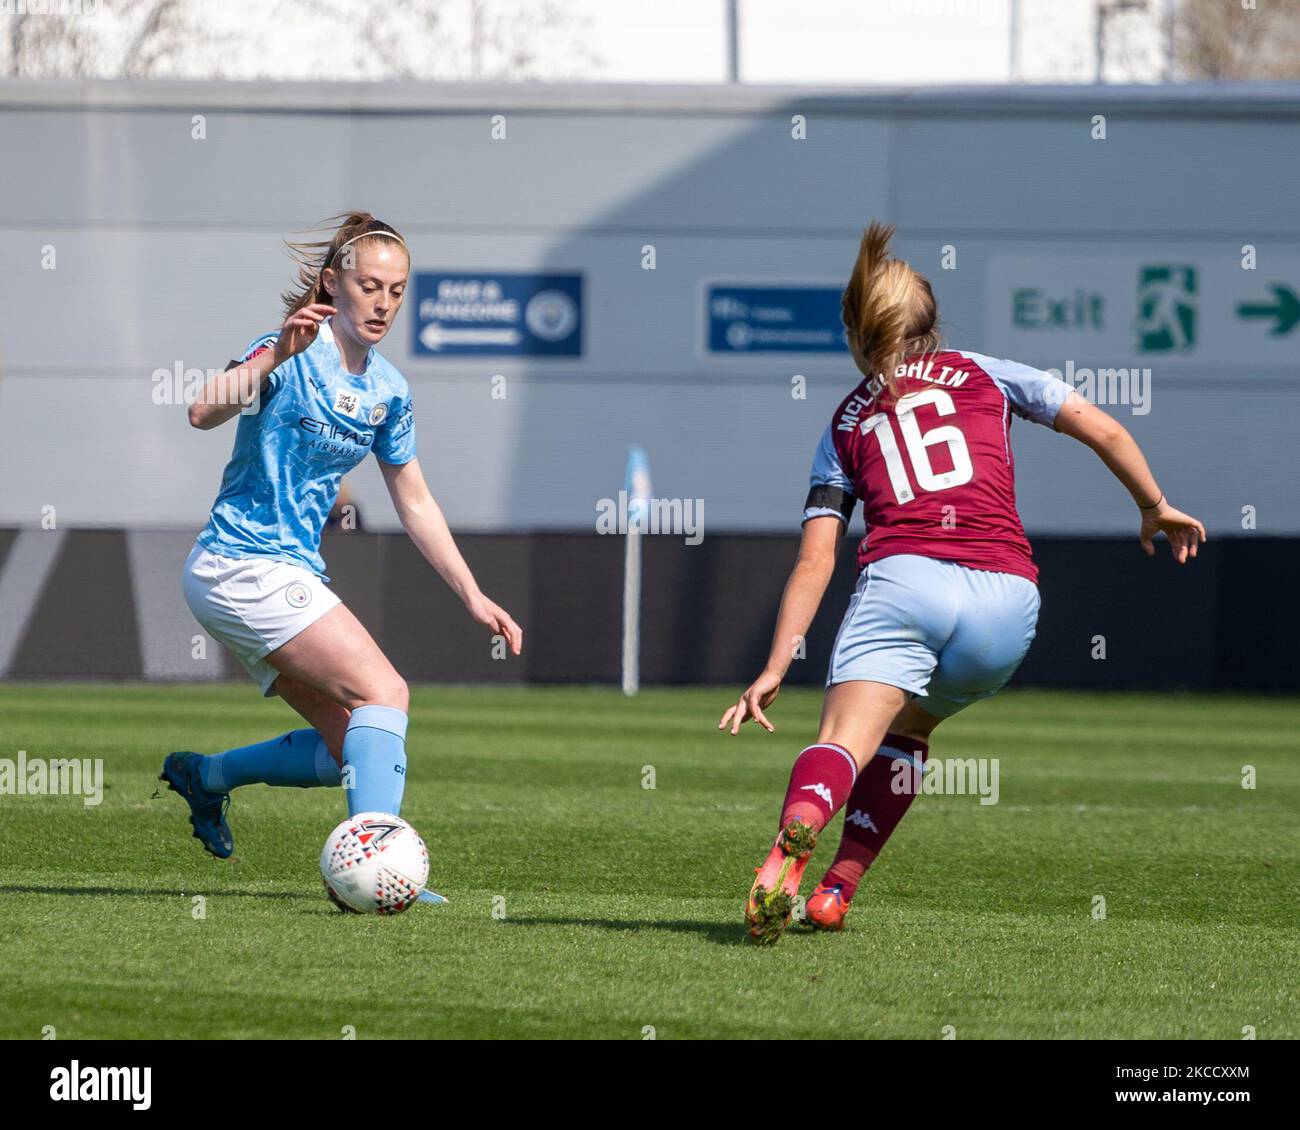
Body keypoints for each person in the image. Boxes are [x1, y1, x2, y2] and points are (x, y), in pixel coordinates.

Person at [719, 222, 1205, 945]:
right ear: (933, 322)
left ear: (859, 337)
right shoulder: (990, 372)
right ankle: (835, 891)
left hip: (906, 583)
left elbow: (816, 561)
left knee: (846, 743)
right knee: (912, 729)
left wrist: (772, 663)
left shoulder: (845, 421)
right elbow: (1102, 429)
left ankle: (802, 825)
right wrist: (1153, 504)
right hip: (1008, 600)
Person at [162, 211, 522, 859]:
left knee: (348, 748)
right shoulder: (292, 349)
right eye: (369, 286)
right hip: (241, 562)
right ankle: (377, 862)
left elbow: (414, 502)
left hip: (279, 571)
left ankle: (207, 776)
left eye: (397, 290)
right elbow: (201, 410)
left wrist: (472, 594)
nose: (383, 303)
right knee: (387, 693)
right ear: (333, 282)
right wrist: (277, 352)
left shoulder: (388, 389)